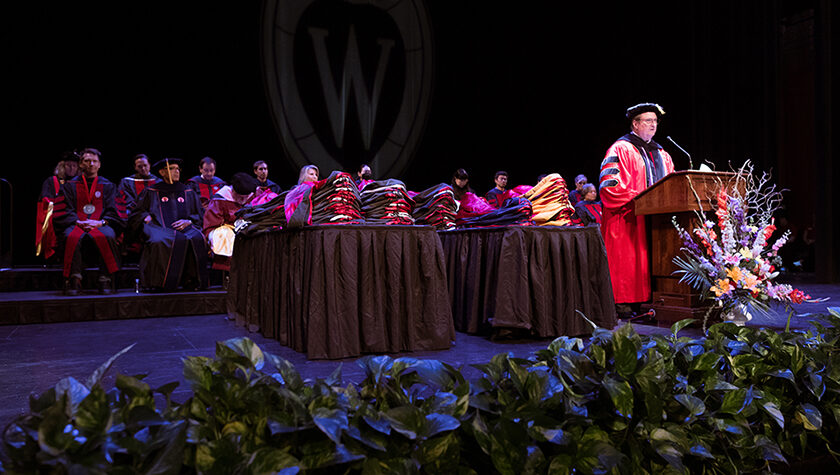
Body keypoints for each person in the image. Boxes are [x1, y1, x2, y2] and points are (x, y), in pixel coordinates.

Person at [599, 102, 675, 318]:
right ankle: (622, 303)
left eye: (655, 121)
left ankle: (652, 300)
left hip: (657, 220)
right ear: (635, 123)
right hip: (627, 218)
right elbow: (609, 186)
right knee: (627, 262)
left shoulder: (662, 153)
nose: (653, 125)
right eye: (648, 121)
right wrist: (641, 198)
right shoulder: (619, 149)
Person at [129, 158, 208, 292]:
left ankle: (191, 281)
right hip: (158, 226)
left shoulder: (188, 191)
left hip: (185, 226)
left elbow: (198, 214)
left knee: (197, 238)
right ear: (162, 172)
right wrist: (145, 216)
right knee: (160, 241)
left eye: (178, 169)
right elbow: (137, 212)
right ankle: (160, 283)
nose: (176, 171)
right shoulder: (152, 191)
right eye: (172, 168)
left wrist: (189, 221)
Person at [54, 148, 122, 295]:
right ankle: (74, 279)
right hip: (76, 224)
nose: (91, 164)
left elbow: (115, 211)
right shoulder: (69, 186)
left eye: (94, 161)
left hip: (100, 224)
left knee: (107, 235)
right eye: (87, 161)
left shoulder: (109, 186)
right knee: (70, 236)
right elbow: (62, 210)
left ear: (99, 165)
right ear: (81, 164)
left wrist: (101, 222)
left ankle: (105, 278)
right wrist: (78, 221)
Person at [204, 172, 258, 271]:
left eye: (246, 196)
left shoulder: (252, 194)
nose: (244, 200)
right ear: (232, 191)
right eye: (241, 197)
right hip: (222, 231)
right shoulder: (220, 199)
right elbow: (211, 224)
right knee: (227, 235)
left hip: (245, 229)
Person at [36, 151, 79, 259]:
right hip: (57, 213)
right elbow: (45, 200)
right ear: (62, 166)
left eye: (74, 166)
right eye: (68, 165)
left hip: (75, 214)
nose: (71, 168)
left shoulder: (79, 183)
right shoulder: (52, 181)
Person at [116, 153, 159, 219]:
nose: (143, 169)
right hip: (134, 214)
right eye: (139, 166)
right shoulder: (127, 182)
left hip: (155, 215)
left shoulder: (158, 182)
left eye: (145, 165)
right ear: (135, 167)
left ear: (149, 165)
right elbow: (125, 200)